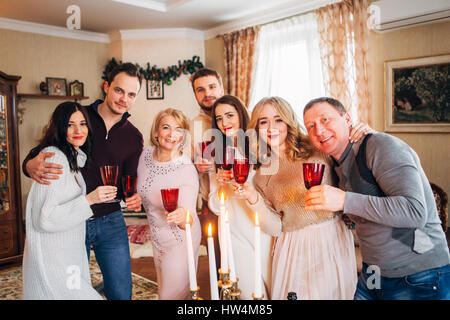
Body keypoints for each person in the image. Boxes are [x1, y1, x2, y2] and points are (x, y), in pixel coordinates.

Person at [303, 97, 450, 300]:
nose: (319, 130)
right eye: (311, 126)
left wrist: (345, 200)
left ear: (347, 119)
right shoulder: (335, 163)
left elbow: (415, 212)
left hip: (419, 276)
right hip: (373, 273)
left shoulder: (381, 145)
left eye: (325, 119)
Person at [22, 63, 144, 300]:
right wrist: (28, 165)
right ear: (106, 87)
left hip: (110, 220)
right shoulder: (80, 117)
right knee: (71, 287)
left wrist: (134, 196)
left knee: (121, 291)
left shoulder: (133, 136)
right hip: (73, 221)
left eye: (131, 94)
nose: (124, 99)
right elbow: (43, 152)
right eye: (119, 90)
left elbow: (128, 181)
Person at [235, 96, 371, 300]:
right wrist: (253, 198)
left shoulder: (317, 148)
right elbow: (275, 227)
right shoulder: (263, 174)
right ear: (256, 128)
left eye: (278, 119)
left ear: (288, 122)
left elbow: (353, 165)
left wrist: (364, 133)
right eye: (263, 122)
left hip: (331, 237)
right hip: (293, 246)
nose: (271, 127)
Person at [22, 102, 116, 300]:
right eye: (70, 124)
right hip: (55, 261)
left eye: (82, 124)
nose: (78, 130)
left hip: (69, 254)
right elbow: (45, 218)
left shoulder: (72, 158)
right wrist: (90, 199)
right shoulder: (55, 158)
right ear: (59, 126)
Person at [208, 95, 274, 299]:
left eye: (229, 115)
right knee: (249, 294)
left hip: (263, 230)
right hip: (234, 233)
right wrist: (220, 185)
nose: (224, 122)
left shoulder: (261, 148)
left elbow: (273, 196)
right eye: (219, 118)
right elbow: (215, 206)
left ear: (241, 115)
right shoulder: (217, 154)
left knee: (273, 288)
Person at [137, 108, 200, 299]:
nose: (172, 134)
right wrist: (133, 197)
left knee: (170, 296)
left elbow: (188, 219)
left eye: (179, 129)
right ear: (156, 132)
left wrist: (183, 216)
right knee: (165, 290)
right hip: (158, 240)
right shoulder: (144, 155)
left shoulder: (186, 168)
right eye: (166, 127)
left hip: (180, 241)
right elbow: (140, 186)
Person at [190, 68, 225, 274]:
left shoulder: (240, 118)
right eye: (200, 90)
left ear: (221, 86)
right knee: (217, 260)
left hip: (241, 201)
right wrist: (196, 166)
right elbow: (184, 166)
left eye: (212, 87)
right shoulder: (193, 126)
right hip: (210, 205)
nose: (207, 93)